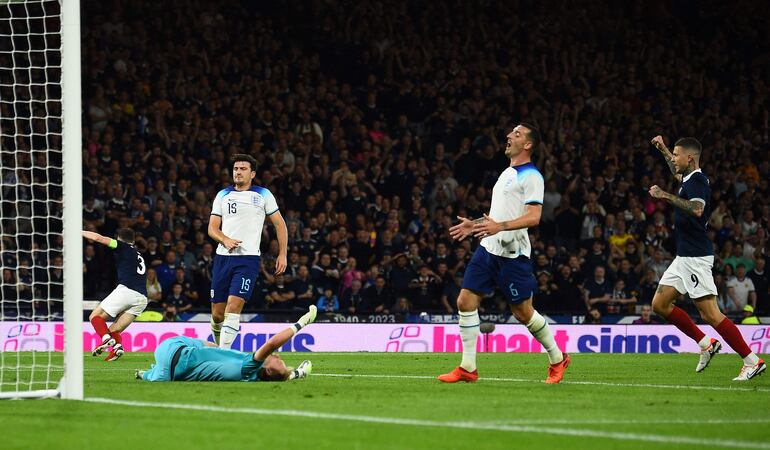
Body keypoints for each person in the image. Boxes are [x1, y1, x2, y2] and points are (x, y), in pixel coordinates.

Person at [438, 124, 569, 384]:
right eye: (510, 133)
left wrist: (499, 227)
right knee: (465, 301)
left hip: (513, 255)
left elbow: (534, 217)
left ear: (528, 145)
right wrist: (474, 224)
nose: (509, 136)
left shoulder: (532, 176)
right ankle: (468, 367)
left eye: (517, 134)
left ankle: (557, 357)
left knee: (523, 313)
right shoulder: (507, 172)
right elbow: (497, 216)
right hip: (489, 249)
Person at [649, 135, 764, 380]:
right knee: (659, 305)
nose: (675, 159)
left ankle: (751, 360)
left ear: (689, 158)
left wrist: (665, 195)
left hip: (695, 257)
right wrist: (664, 150)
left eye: (678, 154)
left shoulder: (698, 182)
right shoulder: (688, 177)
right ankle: (705, 343)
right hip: (683, 256)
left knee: (711, 315)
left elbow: (697, 208)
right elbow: (676, 170)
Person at [208, 154, 288, 349]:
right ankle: (220, 348)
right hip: (222, 259)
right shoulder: (223, 195)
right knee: (217, 314)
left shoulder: (263, 194)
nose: (238, 172)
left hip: (248, 260)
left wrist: (283, 253)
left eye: (243, 169)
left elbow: (280, 225)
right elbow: (212, 228)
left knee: (233, 307)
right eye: (236, 169)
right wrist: (225, 239)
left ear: (252, 174)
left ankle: (223, 355)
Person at [137, 306, 317, 382]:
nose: (277, 356)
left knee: (207, 348)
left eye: (277, 360)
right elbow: (279, 374)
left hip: (173, 350)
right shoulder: (252, 377)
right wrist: (297, 373)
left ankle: (148, 374)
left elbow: (271, 343)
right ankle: (146, 374)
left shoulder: (250, 366)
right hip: (172, 370)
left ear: (268, 370)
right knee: (219, 351)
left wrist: (301, 323)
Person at [82, 228, 148, 361]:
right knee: (114, 330)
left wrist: (79, 232)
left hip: (127, 290)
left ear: (119, 238)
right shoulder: (138, 254)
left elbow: (99, 238)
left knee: (95, 316)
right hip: (142, 298)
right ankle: (117, 347)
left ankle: (106, 340)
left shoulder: (122, 246)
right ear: (133, 240)